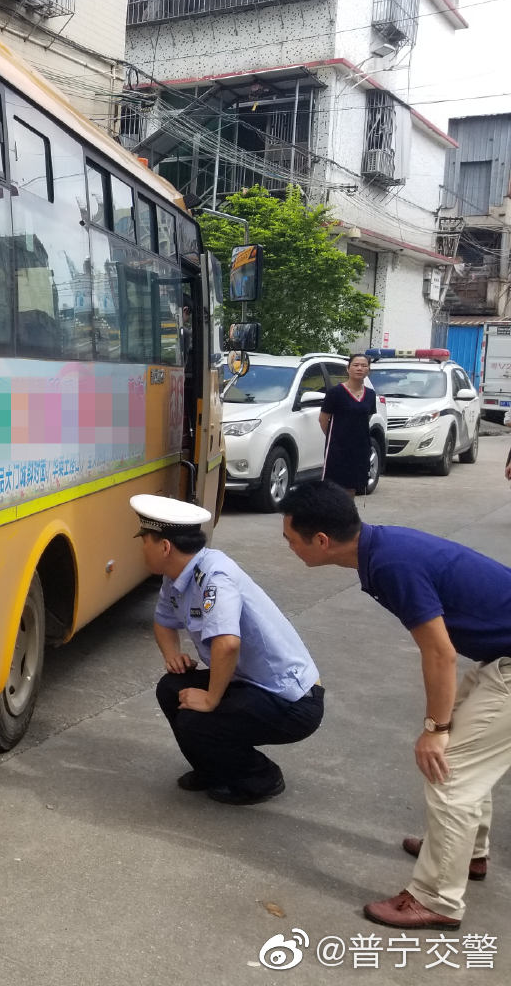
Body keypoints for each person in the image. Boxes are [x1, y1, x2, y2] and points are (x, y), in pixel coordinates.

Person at [279, 480, 511, 930]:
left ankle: (437, 899)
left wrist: (434, 728)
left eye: (290, 539)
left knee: (450, 769)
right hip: (499, 657)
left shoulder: (391, 564)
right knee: (463, 759)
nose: (288, 547)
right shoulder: (382, 548)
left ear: (321, 541)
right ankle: (467, 854)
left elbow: (439, 652)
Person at [134, 493, 325, 806]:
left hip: (290, 700)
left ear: (164, 547)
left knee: (197, 718)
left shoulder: (214, 577)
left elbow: (227, 643)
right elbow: (163, 621)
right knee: (172, 688)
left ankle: (260, 777)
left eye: (146, 541)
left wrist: (210, 699)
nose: (142, 548)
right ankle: (213, 769)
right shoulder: (178, 574)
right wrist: (172, 655)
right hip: (249, 681)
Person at [319, 353, 377, 495]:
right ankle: (333, 516)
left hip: (360, 449)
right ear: (348, 369)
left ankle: (348, 515)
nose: (359, 368)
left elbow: (366, 418)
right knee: (334, 487)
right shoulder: (335, 393)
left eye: (364, 366)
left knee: (353, 487)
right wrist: (335, 438)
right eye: (356, 365)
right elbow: (323, 419)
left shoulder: (370, 394)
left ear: (368, 370)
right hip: (338, 449)